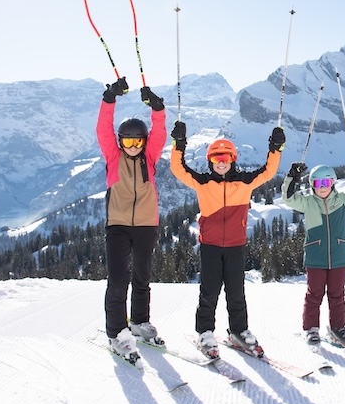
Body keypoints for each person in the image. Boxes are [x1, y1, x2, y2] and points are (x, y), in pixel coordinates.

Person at [169, 120, 285, 359]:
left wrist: (275, 149)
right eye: (216, 159)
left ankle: (239, 330)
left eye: (226, 158)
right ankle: (205, 332)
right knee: (209, 291)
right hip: (210, 246)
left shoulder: (244, 182)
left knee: (236, 291)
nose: (221, 163)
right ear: (210, 161)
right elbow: (179, 170)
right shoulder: (203, 182)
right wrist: (178, 145)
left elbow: (268, 171)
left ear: (233, 159)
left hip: (235, 246)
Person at [96, 76, 167, 361]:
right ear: (121, 142)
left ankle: (139, 322)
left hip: (146, 225)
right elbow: (103, 130)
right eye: (128, 141)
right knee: (117, 279)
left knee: (142, 277)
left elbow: (160, 133)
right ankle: (117, 332)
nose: (134, 146)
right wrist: (110, 98)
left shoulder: (149, 158)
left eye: (138, 140)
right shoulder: (114, 158)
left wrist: (157, 109)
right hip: (118, 225)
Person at [282, 162, 345, 350]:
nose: (322, 187)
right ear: (312, 185)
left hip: (339, 256)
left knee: (337, 294)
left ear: (333, 183)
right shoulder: (308, 202)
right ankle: (311, 329)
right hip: (316, 256)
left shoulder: (343, 200)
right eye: (318, 183)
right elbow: (288, 198)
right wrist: (293, 177)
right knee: (314, 294)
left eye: (326, 182)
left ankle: (338, 328)